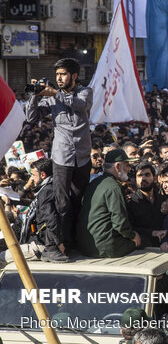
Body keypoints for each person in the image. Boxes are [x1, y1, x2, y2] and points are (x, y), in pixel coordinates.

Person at [25, 58, 93, 251]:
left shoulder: (85, 92)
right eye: (57, 75)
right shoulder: (52, 97)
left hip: (82, 156)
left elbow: (80, 105)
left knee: (78, 199)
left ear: (74, 76)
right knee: (61, 202)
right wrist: (36, 95)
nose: (59, 78)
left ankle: (79, 239)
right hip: (62, 156)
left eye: (63, 74)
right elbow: (31, 117)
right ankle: (63, 243)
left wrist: (54, 92)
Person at [75, 149, 141, 258]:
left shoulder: (94, 183)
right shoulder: (114, 187)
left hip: (85, 247)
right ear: (117, 166)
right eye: (127, 165)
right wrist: (133, 235)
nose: (129, 169)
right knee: (143, 239)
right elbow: (120, 223)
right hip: (107, 247)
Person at [20, 158, 67, 262]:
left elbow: (52, 219)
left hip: (43, 246)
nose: (31, 179)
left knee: (2, 257)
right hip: (48, 242)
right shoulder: (56, 186)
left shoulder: (46, 191)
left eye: (33, 175)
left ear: (43, 175)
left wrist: (56, 245)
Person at [126, 162, 167, 248]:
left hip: (165, 245)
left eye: (147, 175)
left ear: (155, 178)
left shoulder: (163, 200)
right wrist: (152, 232)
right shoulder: (131, 202)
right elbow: (129, 228)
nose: (143, 178)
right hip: (143, 249)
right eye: (140, 176)